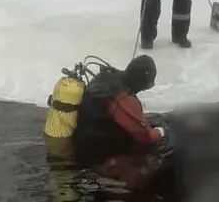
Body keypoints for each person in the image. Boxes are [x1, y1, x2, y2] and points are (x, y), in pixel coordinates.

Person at [72, 55, 170, 191]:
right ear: (142, 82)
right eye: (146, 86)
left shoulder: (105, 77)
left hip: (82, 146)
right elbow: (145, 137)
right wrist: (161, 131)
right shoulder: (123, 99)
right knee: (154, 160)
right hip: (101, 159)